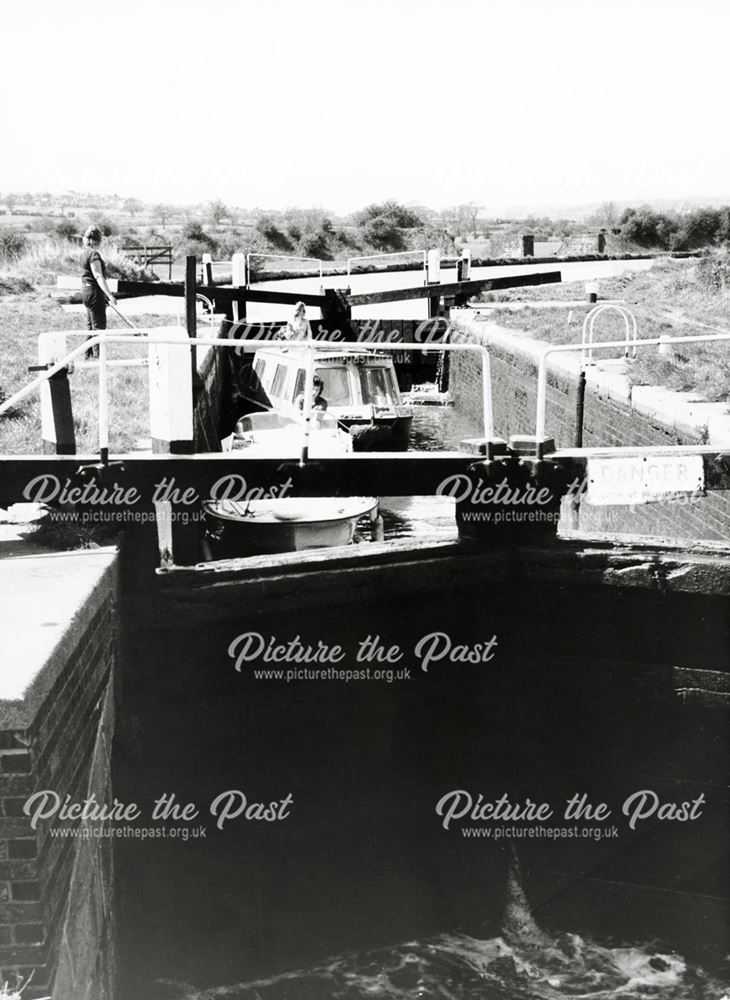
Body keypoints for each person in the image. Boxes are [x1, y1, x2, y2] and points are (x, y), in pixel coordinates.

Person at [80, 226, 117, 357]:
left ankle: (87, 355)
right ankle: (98, 358)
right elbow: (98, 275)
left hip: (85, 290)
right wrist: (109, 295)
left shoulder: (84, 253)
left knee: (90, 326)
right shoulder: (94, 254)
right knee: (99, 327)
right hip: (94, 292)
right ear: (97, 240)